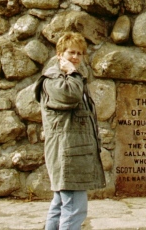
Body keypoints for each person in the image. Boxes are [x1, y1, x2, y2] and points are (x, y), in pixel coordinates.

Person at [32, 32, 105, 230]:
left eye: (79, 54)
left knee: (60, 205)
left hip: (73, 154)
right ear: (59, 54)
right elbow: (71, 96)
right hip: (67, 154)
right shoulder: (54, 79)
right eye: (71, 52)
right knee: (74, 209)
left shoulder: (68, 78)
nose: (75, 57)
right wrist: (73, 72)